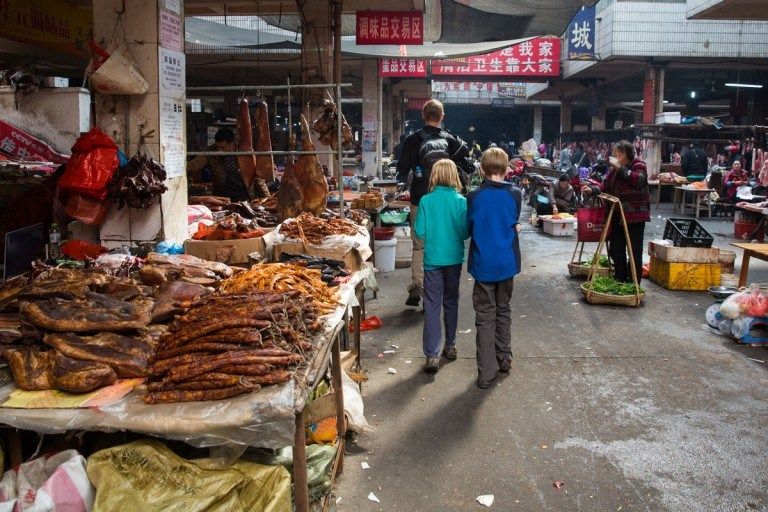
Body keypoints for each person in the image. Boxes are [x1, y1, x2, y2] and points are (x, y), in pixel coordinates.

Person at [396, 99, 471, 307]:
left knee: (419, 246)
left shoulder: (412, 140)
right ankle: (437, 291)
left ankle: (417, 288)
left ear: (423, 115)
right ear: (442, 116)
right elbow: (469, 167)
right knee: (442, 243)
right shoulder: (451, 140)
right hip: (447, 203)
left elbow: (402, 170)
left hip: (420, 200)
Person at [467, 147, 522, 389]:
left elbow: (469, 227)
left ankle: (486, 373)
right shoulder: (515, 194)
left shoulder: (473, 197)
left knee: (485, 316)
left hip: (483, 265)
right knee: (504, 310)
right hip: (507, 263)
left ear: (481, 169)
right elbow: (513, 221)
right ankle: (505, 357)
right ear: (507, 169)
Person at [413, 159, 469, 373]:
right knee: (451, 302)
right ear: (454, 176)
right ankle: (451, 345)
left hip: (433, 261)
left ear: (434, 176)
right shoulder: (461, 201)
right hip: (454, 261)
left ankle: (432, 356)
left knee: (432, 306)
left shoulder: (426, 201)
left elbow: (420, 232)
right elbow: (465, 233)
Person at [583, 140, 650, 284]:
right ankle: (620, 277)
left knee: (634, 252)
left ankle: (633, 283)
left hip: (634, 217)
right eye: (615, 155)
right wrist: (593, 189)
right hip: (617, 216)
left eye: (619, 155)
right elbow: (605, 185)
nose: (616, 157)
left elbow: (639, 181)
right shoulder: (614, 170)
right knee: (615, 249)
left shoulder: (639, 165)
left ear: (627, 154)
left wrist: (621, 168)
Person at [187, 128, 269, 201]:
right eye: (217, 147)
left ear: (232, 144)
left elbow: (258, 178)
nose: (219, 150)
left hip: (246, 195)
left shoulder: (244, 151)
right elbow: (194, 165)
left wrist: (268, 199)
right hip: (223, 198)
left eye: (222, 147)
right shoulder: (211, 152)